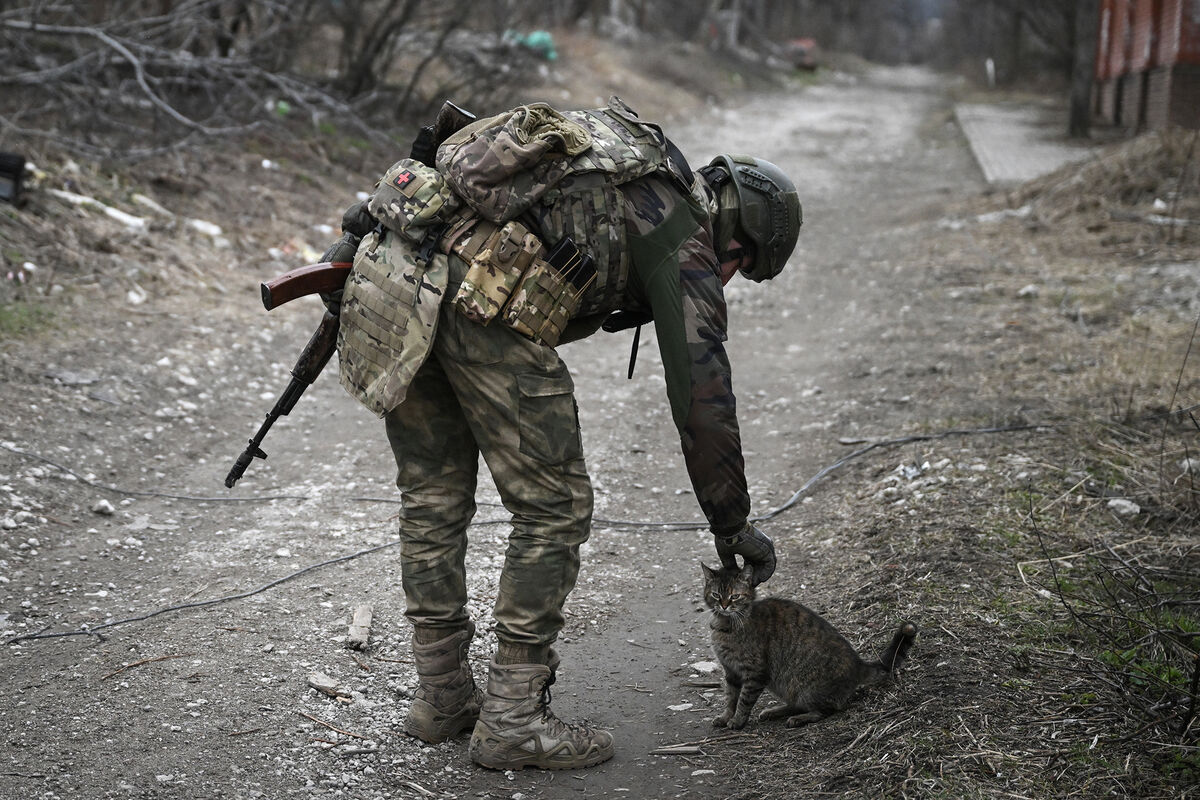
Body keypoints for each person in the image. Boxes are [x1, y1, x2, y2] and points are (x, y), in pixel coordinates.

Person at [326, 98, 802, 770]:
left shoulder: (615, 155)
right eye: (740, 265)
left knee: (432, 495)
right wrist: (732, 523)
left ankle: (442, 700)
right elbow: (703, 394)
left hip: (399, 275)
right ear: (738, 231)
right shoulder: (679, 226)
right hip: (481, 298)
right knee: (553, 507)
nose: (727, 279)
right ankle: (514, 720)